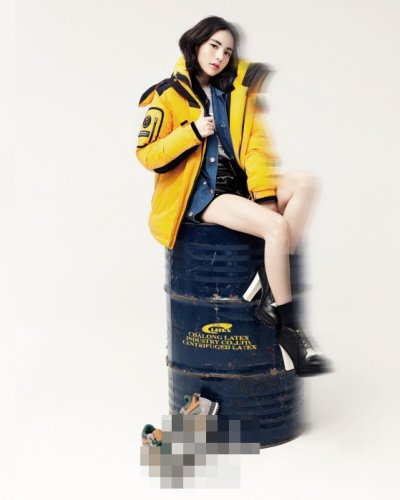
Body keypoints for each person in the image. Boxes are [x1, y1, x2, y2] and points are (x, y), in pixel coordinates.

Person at [136, 15, 331, 376]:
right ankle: (289, 330)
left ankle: (267, 284)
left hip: (238, 187)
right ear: (195, 44)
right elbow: (146, 154)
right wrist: (193, 132)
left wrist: (265, 195)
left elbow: (255, 148)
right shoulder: (169, 95)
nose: (220, 57)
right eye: (214, 46)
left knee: (305, 183)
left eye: (227, 51)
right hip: (203, 194)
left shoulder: (234, 93)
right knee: (276, 228)